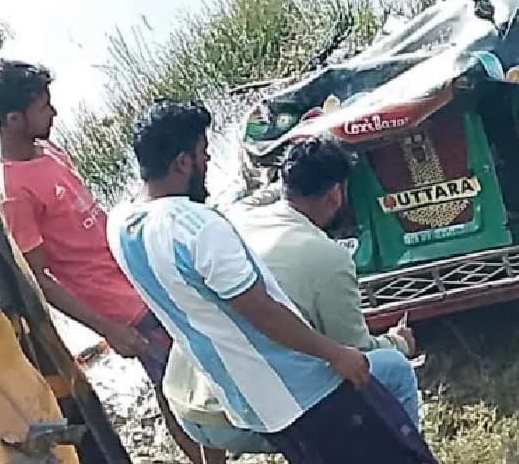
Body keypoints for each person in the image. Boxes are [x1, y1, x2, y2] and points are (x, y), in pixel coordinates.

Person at [106, 99, 438, 464]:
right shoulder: (197, 227)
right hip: (299, 393)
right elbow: (260, 310)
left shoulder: (121, 225)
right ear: (182, 162)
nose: (208, 162)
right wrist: (336, 354)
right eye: (203, 153)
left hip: (237, 398)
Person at [0, 61, 219, 464]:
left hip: (133, 270)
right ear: (13, 119)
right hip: (118, 303)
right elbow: (40, 279)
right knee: (179, 381)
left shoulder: (48, 150)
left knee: (185, 373)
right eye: (43, 108)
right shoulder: (14, 191)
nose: (53, 113)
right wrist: (108, 328)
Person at [162, 135, 421, 453]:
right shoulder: (330, 258)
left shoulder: (237, 217)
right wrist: (397, 342)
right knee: (393, 369)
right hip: (243, 419)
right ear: (336, 194)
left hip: (187, 405)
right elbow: (355, 355)